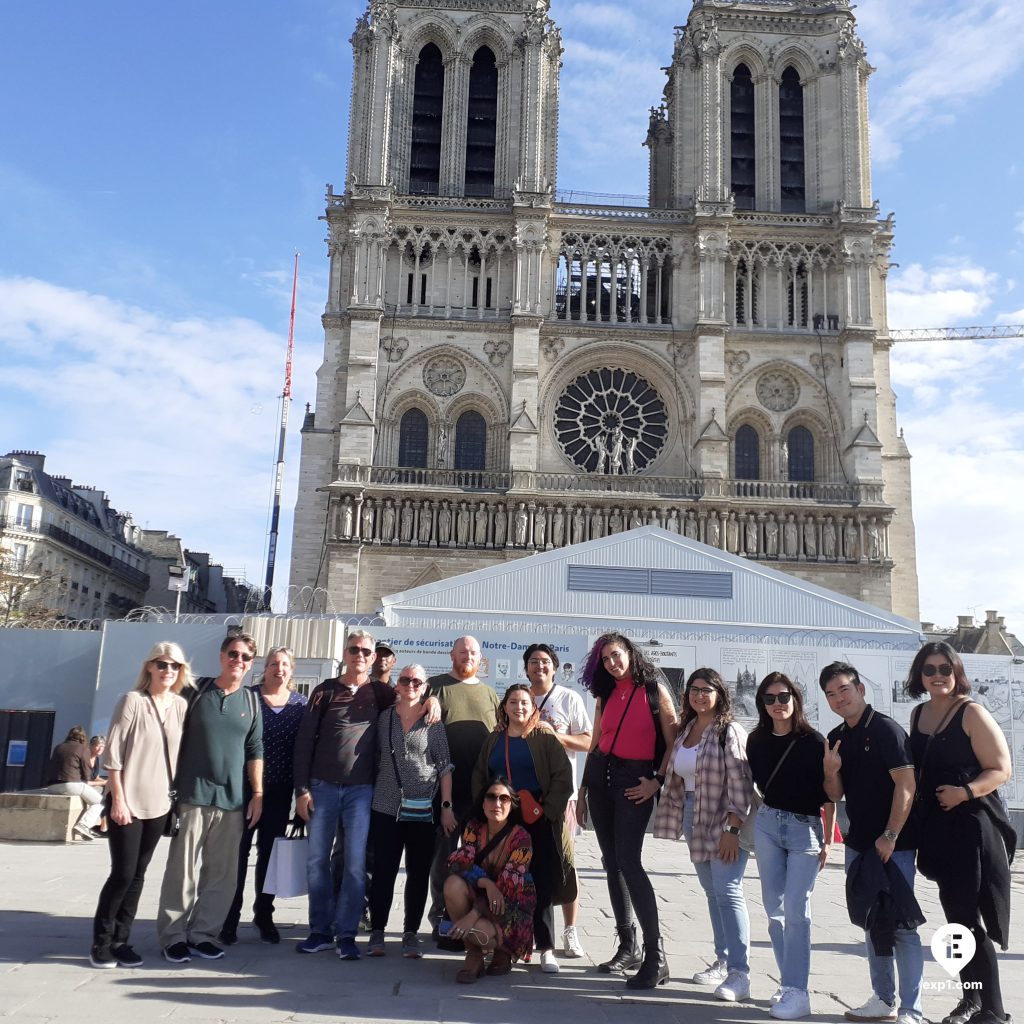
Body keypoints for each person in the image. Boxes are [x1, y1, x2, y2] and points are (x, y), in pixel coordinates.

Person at [906, 643, 1015, 1024]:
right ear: (919, 675)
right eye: (929, 668)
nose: (938, 675)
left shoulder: (971, 712)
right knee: (955, 920)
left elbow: (1001, 768)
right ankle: (970, 1000)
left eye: (945, 668)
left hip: (970, 827)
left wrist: (964, 792)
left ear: (957, 672)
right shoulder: (918, 713)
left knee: (968, 919)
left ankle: (992, 1010)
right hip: (937, 828)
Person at [820, 662, 924, 1024]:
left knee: (901, 926)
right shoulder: (836, 736)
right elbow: (835, 794)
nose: (838, 698)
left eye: (844, 690)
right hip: (859, 845)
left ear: (861, 689)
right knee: (871, 922)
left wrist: (891, 834)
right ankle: (883, 999)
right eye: (831, 694)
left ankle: (912, 1009)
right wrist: (831, 771)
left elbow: (906, 785)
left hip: (894, 845)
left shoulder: (886, 730)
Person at [578, 632, 678, 990]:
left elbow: (673, 742)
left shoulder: (655, 691)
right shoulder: (604, 694)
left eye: (616, 655)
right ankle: (628, 945)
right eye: (605, 659)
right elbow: (595, 741)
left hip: (635, 781)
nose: (612, 663)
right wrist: (584, 789)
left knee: (630, 861)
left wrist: (657, 780)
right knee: (611, 862)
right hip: (601, 777)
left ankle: (657, 956)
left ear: (630, 654)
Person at [157, 632, 264, 964]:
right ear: (222, 656)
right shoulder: (196, 690)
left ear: (250, 664)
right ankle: (173, 935)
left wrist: (257, 792)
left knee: (221, 874)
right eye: (233, 654)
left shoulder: (251, 701)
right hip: (193, 794)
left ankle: (203, 934)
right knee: (182, 871)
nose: (238, 661)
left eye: (245, 657)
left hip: (232, 800)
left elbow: (254, 750)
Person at [654, 668, 753, 1002]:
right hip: (692, 814)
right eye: (694, 690)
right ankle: (723, 961)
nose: (699, 695)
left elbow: (741, 782)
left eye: (706, 689)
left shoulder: (730, 731)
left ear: (719, 694)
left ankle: (740, 972)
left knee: (728, 890)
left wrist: (732, 828)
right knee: (713, 893)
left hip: (723, 815)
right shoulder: (687, 729)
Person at [89, 644, 190, 968]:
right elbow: (113, 756)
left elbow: (180, 756)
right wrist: (117, 799)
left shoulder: (179, 706)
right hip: (127, 802)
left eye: (174, 665)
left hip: (159, 804)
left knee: (138, 876)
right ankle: (101, 943)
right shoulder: (132, 701)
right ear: (149, 667)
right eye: (161, 664)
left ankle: (122, 940)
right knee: (122, 873)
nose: (168, 670)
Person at [746, 673, 836, 1019]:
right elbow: (753, 783)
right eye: (769, 699)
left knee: (798, 912)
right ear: (762, 705)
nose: (777, 704)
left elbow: (830, 797)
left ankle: (799, 992)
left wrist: (827, 839)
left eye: (783, 696)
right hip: (769, 826)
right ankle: (788, 984)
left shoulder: (814, 742)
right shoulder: (756, 741)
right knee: (774, 911)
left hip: (804, 830)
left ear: (795, 699)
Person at [473, 682, 575, 974]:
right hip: (501, 820)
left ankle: (545, 948)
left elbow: (562, 778)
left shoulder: (544, 737)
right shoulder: (494, 740)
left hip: (537, 820)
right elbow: (480, 775)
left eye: (525, 703)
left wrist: (547, 812)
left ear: (533, 708)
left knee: (540, 882)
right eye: (513, 702)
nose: (519, 707)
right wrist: (484, 810)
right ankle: (504, 943)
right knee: (503, 881)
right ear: (504, 707)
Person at [367, 663, 455, 959]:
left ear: (425, 686)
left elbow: (445, 767)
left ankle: (410, 933)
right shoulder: (384, 719)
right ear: (397, 684)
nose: (410, 685)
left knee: (418, 873)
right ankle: (377, 930)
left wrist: (446, 806)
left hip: (421, 810)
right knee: (384, 871)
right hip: (386, 806)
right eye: (405, 680)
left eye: (417, 681)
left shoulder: (433, 722)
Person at [220, 646, 306, 946]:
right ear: (264, 668)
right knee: (238, 854)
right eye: (272, 664)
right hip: (244, 790)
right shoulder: (248, 697)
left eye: (284, 664)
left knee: (270, 855)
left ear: (291, 670)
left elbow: (303, 751)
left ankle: (264, 913)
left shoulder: (300, 704)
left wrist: (301, 793)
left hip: (281, 791)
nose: (278, 669)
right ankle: (229, 917)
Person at [426, 635, 500, 942]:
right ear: (451, 654)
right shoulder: (437, 686)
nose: (467, 656)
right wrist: (428, 699)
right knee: (443, 859)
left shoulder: (490, 694)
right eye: (462, 652)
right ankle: (441, 918)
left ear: (480, 657)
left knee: (479, 862)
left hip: (480, 795)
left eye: (472, 652)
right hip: (446, 794)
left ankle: (472, 918)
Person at [523, 643, 593, 959]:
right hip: (523, 795)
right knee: (524, 861)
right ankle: (527, 928)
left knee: (564, 864)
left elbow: (588, 741)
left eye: (545, 661)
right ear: (525, 668)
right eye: (534, 662)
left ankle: (570, 931)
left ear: (554, 667)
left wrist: (554, 735)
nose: (539, 666)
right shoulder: (519, 698)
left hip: (561, 796)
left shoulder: (569, 698)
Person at [444, 776, 536, 983]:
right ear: (483, 802)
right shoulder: (473, 828)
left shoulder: (521, 838)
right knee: (452, 884)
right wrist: (486, 883)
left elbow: (509, 891)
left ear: (512, 805)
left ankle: (504, 951)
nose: (497, 803)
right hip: (484, 896)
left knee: (479, 931)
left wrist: (472, 915)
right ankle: (474, 954)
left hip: (512, 908)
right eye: (491, 797)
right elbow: (459, 865)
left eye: (504, 799)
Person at [43, 726, 104, 841]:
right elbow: (87, 773)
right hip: (70, 784)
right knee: (99, 802)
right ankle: (84, 825)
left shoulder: (58, 747)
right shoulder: (82, 748)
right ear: (83, 738)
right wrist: (87, 780)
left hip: (51, 786)